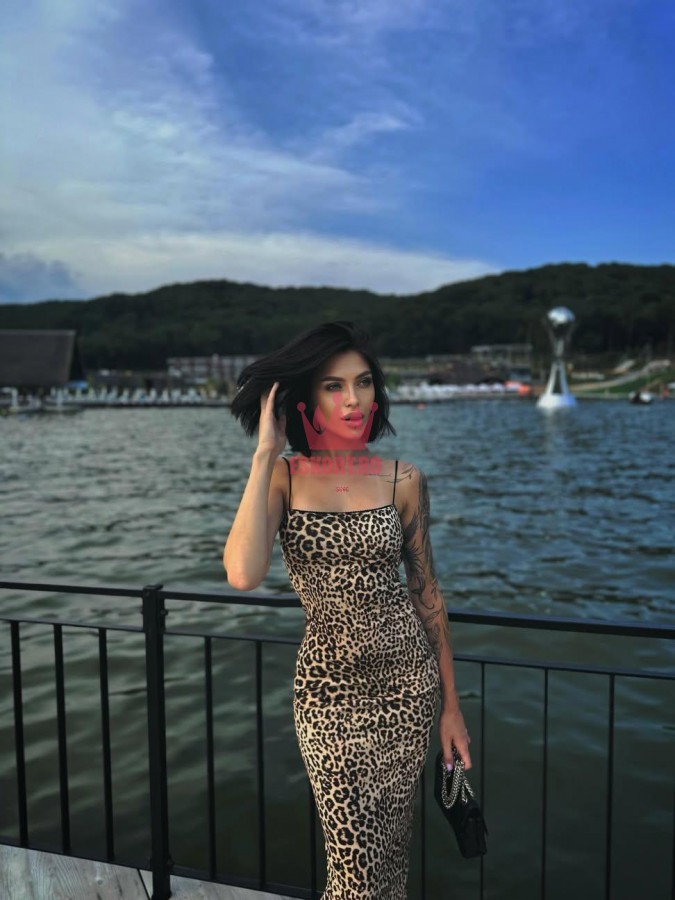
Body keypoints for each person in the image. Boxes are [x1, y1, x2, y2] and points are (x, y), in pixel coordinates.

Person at [224, 321, 471, 899]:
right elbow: (242, 573)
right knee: (353, 866)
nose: (354, 399)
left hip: (407, 687)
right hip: (327, 692)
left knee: (390, 855)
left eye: (363, 382)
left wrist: (451, 708)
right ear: (306, 399)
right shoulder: (283, 477)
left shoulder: (403, 480)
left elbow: (427, 594)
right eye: (334, 386)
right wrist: (264, 453)